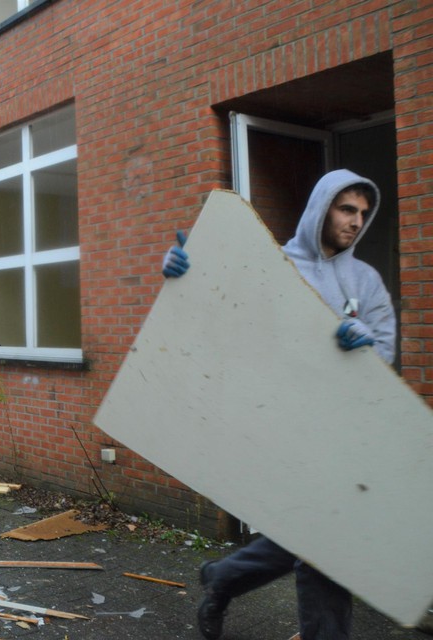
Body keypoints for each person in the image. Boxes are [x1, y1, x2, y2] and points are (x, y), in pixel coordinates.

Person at [161, 168, 397, 640]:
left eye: (363, 214)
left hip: (342, 432)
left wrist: (367, 343)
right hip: (285, 428)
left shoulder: (365, 281)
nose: (356, 221)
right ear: (321, 207)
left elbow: (387, 353)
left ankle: (222, 579)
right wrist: (181, 279)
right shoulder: (270, 265)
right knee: (323, 545)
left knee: (314, 538)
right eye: (346, 208)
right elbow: (216, 321)